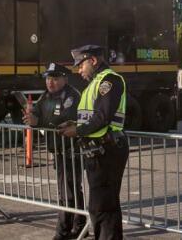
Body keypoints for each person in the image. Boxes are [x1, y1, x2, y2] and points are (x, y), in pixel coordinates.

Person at [59, 45, 129, 240]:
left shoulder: (109, 81)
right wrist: (75, 123)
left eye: (81, 65)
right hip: (98, 151)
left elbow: (103, 117)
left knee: (103, 208)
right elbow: (92, 116)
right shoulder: (95, 83)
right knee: (101, 208)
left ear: (93, 61)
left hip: (107, 150)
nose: (79, 70)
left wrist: (78, 130)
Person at [24, 63, 86, 240]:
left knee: (67, 192)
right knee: (72, 189)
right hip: (58, 151)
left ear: (65, 79)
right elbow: (37, 112)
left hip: (71, 150)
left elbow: (63, 119)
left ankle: (63, 231)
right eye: (48, 78)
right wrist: (31, 116)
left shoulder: (71, 96)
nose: (50, 82)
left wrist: (39, 121)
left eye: (55, 78)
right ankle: (80, 225)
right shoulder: (46, 96)